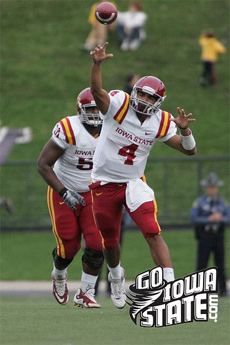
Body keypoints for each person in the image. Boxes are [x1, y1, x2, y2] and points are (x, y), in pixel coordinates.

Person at [89, 42, 197, 309]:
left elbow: (190, 151)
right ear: (134, 92)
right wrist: (97, 64)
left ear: (158, 102)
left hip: (133, 182)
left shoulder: (160, 120)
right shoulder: (119, 105)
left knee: (152, 231)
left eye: (151, 98)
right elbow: (95, 91)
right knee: (111, 242)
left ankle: (171, 286)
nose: (145, 101)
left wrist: (184, 131)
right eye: (143, 95)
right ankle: (115, 276)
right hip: (103, 182)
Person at [37, 88, 104, 308]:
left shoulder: (113, 128)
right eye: (90, 108)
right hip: (63, 190)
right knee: (69, 246)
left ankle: (85, 292)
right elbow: (43, 165)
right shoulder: (68, 128)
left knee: (96, 244)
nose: (95, 113)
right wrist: (64, 191)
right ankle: (58, 274)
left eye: (97, 107)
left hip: (93, 193)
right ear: (79, 110)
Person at [190, 172, 230, 296]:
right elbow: (194, 218)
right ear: (207, 188)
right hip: (205, 236)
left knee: (220, 264)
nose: (212, 189)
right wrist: (209, 219)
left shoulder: (222, 203)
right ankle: (198, 290)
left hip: (218, 236)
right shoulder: (200, 202)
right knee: (202, 263)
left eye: (214, 187)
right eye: (210, 187)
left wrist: (220, 219)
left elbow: (228, 218)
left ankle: (223, 291)